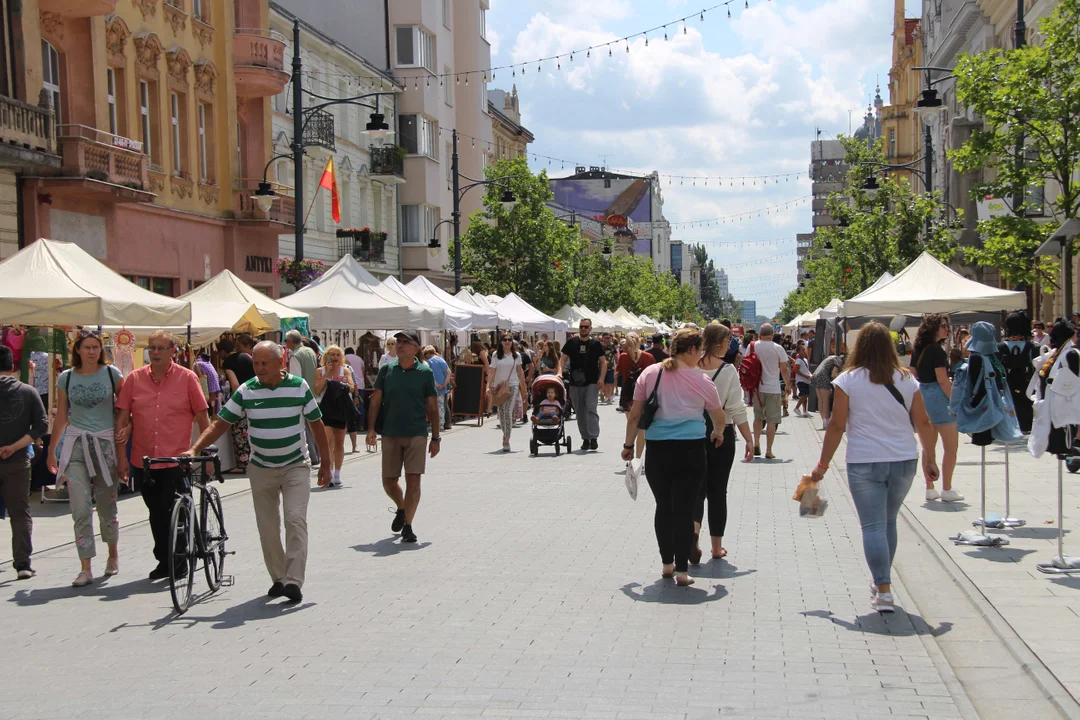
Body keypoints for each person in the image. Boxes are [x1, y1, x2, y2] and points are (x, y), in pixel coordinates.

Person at [810, 322, 940, 613]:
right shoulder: (907, 379)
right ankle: (882, 581)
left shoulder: (848, 380)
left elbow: (837, 424)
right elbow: (923, 422)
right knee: (889, 521)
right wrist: (930, 457)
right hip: (904, 460)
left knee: (872, 525)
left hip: (864, 460)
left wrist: (822, 465)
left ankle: (883, 590)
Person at [189, 341, 331, 603]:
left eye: (265, 363)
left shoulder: (299, 386)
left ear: (281, 363)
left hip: (295, 465)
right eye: (256, 363)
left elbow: (316, 424)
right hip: (261, 467)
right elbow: (220, 423)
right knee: (267, 527)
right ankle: (279, 577)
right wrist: (195, 448)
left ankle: (294, 580)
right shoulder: (247, 390)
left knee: (294, 519)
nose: (259, 368)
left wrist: (326, 464)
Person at [621, 328, 725, 587]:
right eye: (700, 350)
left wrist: (628, 445)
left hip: (658, 450)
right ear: (690, 350)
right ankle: (681, 571)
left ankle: (666, 564)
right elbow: (718, 416)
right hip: (690, 451)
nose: (701, 355)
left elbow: (635, 414)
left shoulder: (650, 373)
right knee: (684, 509)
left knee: (664, 507)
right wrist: (718, 433)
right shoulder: (702, 380)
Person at [114, 330, 211, 579]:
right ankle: (164, 560)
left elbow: (203, 418)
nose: (155, 353)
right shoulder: (134, 379)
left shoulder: (188, 378)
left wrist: (201, 451)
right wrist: (121, 459)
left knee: (176, 510)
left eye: (160, 348)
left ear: (172, 352)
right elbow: (122, 419)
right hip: (144, 459)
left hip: (177, 458)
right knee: (156, 512)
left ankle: (178, 560)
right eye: (152, 348)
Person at [48, 332, 125, 587]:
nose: (91, 352)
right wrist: (51, 450)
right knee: (80, 507)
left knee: (107, 504)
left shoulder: (112, 373)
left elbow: (125, 408)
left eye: (96, 347)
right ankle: (85, 567)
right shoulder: (66, 377)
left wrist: (127, 429)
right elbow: (62, 417)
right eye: (87, 347)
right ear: (77, 350)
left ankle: (112, 553)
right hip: (75, 445)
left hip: (104, 444)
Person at [367, 331, 440, 544]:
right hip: (390, 432)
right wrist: (371, 429)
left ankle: (408, 525)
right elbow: (374, 401)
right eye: (398, 342)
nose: (400, 345)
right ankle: (401, 507)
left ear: (416, 348)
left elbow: (433, 407)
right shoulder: (387, 370)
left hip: (416, 433)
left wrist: (436, 438)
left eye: (405, 342)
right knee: (388, 481)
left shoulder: (425, 372)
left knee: (413, 479)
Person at [692, 323, 754, 564]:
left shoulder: (690, 367)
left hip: (693, 433)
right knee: (718, 491)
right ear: (719, 343)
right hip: (722, 432)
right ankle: (716, 548)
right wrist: (749, 438)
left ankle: (693, 536)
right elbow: (736, 407)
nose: (730, 346)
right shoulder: (727, 370)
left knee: (696, 489)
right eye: (728, 342)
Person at [0, 345, 47, 579]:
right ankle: (23, 564)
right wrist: (16, 446)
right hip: (18, 460)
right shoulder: (28, 392)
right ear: (13, 366)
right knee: (20, 512)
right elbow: (41, 425)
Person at [912, 313, 964, 503]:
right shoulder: (937, 351)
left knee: (928, 446)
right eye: (943, 325)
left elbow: (913, 374)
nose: (946, 329)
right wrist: (954, 402)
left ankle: (929, 487)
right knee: (951, 447)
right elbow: (942, 380)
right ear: (933, 328)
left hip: (923, 396)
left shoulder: (919, 349)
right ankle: (947, 489)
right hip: (939, 398)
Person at [559, 319, 607, 451]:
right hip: (575, 382)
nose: (583, 329)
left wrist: (601, 379)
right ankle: (585, 438)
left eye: (586, 327)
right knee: (580, 411)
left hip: (592, 381)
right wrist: (559, 372)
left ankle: (593, 437)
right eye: (581, 327)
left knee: (591, 408)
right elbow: (563, 359)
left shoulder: (596, 344)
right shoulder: (571, 342)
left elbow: (603, 362)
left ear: (591, 328)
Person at [314, 345, 355, 488]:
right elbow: (317, 390)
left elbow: (351, 387)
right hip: (326, 409)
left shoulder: (346, 370)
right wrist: (327, 375)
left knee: (339, 443)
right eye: (332, 355)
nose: (335, 357)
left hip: (341, 408)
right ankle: (330, 473)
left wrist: (341, 380)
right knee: (328, 442)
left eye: (338, 355)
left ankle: (338, 473)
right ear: (327, 356)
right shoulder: (321, 371)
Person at [750, 324, 791, 460]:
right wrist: (788, 385)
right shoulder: (778, 348)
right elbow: (784, 370)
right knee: (772, 420)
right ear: (772, 335)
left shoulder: (753, 346)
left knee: (758, 417)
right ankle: (768, 450)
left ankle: (756, 442)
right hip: (773, 388)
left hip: (757, 388)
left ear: (760, 334)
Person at [615, 332, 655, 462]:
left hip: (628, 393)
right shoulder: (648, 357)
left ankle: (631, 454)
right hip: (643, 393)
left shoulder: (623, 357)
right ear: (639, 341)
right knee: (642, 427)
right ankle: (638, 457)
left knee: (631, 423)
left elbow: (621, 373)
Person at [286, 330, 322, 466]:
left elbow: (296, 379)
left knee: (306, 429)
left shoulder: (295, 355)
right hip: (314, 393)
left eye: (286, 341)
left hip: (303, 396)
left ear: (290, 342)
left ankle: (313, 456)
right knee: (314, 427)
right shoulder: (310, 351)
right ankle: (318, 454)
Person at [221, 335, 255, 472]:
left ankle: (243, 464)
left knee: (239, 432)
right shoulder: (248, 358)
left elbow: (235, 384)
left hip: (242, 399)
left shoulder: (229, 362)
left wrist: (236, 403)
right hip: (254, 397)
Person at [489, 334, 528, 452]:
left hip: (512, 385)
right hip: (499, 387)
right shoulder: (496, 355)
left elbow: (520, 373)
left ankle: (507, 439)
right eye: (505, 340)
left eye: (509, 340)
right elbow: (492, 371)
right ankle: (505, 432)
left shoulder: (516, 356)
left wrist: (524, 389)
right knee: (501, 413)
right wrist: (488, 386)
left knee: (508, 411)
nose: (507, 342)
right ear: (501, 342)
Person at [423, 345, 453, 431]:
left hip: (433, 388)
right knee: (441, 406)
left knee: (433, 407)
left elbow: (429, 375)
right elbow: (449, 372)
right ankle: (441, 424)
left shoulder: (429, 362)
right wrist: (445, 383)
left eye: (425, 354)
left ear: (428, 353)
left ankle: (435, 424)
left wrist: (436, 384)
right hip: (443, 388)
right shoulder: (441, 359)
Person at [811, 353, 844, 430]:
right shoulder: (839, 361)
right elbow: (833, 374)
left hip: (816, 375)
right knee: (825, 401)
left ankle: (824, 421)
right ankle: (826, 422)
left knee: (820, 400)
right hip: (823, 377)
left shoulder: (831, 358)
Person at [344, 347, 366, 452]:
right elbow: (363, 371)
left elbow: (353, 382)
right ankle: (361, 426)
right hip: (361, 384)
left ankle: (354, 445)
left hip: (349, 394)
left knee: (351, 419)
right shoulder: (360, 359)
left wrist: (355, 395)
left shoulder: (347, 366)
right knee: (361, 408)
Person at [793, 345, 812, 417]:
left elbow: (806, 370)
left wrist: (810, 375)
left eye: (804, 350)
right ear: (798, 352)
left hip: (806, 380)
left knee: (806, 395)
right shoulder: (798, 360)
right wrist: (805, 376)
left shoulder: (805, 360)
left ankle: (804, 411)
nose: (804, 351)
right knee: (805, 394)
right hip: (801, 380)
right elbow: (796, 370)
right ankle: (797, 407)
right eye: (802, 350)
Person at [600, 332, 617, 404]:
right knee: (602, 382)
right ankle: (602, 393)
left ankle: (609, 397)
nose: (608, 339)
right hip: (601, 367)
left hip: (610, 367)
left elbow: (616, 355)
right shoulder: (600, 346)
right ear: (603, 338)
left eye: (609, 338)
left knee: (610, 382)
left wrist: (617, 365)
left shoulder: (612, 346)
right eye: (607, 338)